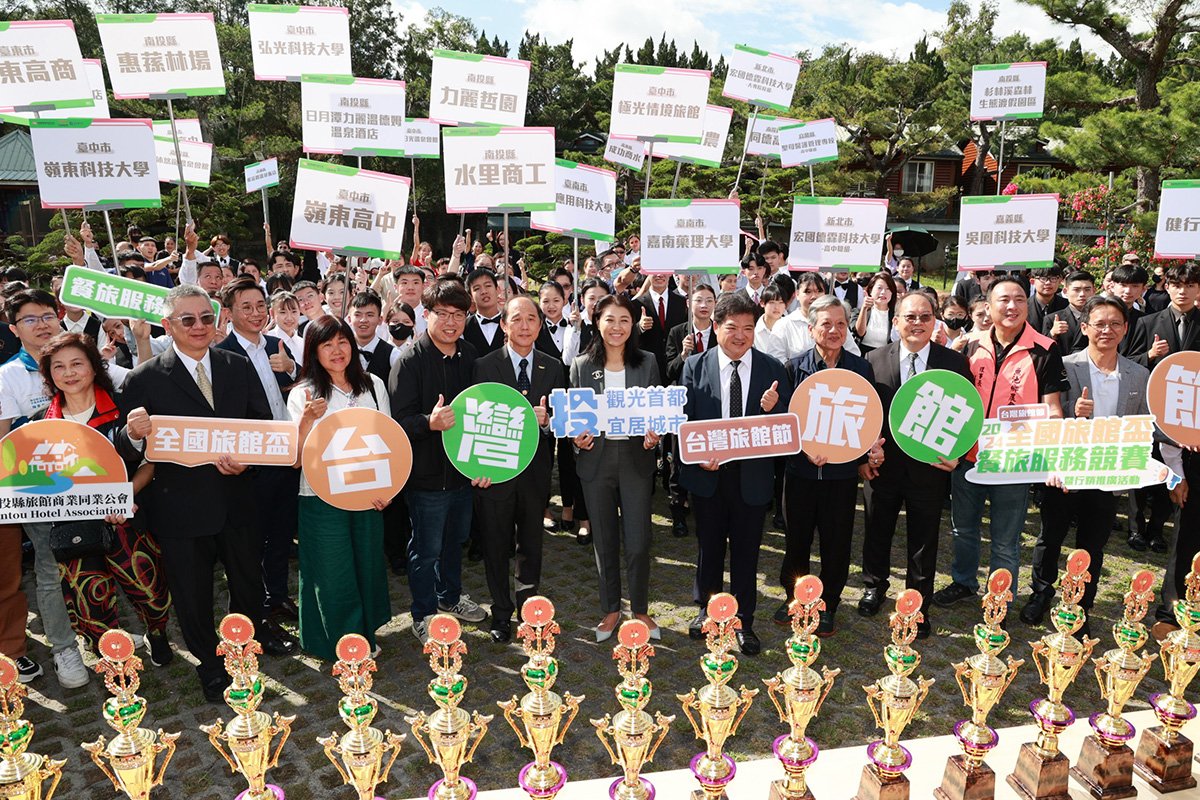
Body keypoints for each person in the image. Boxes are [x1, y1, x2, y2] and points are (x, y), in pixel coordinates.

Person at [118, 284, 297, 702]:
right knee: (192, 594)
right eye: (187, 320)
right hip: (180, 508)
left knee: (248, 586)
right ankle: (210, 665)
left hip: (237, 500)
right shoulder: (144, 377)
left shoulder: (236, 365)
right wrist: (131, 433)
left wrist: (249, 462)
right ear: (168, 325)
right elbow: (127, 448)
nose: (198, 327)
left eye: (204, 318)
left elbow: (261, 425)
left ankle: (241, 655)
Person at [34, 333, 173, 665]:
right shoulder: (41, 422)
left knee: (150, 591)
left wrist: (124, 495)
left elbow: (149, 463)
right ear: (49, 374)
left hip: (128, 515)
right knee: (89, 599)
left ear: (94, 367)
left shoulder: (123, 407)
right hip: (74, 526)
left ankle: (156, 633)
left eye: (77, 364)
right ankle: (114, 659)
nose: (69, 373)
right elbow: (37, 483)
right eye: (59, 367)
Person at [932, 277, 1068, 609]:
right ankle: (964, 582)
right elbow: (952, 400)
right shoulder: (969, 346)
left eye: (1020, 299)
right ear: (987, 307)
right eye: (1003, 300)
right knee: (963, 529)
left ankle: (1000, 597)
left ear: (1028, 304)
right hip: (968, 456)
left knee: (1005, 540)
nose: (1011, 306)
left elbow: (1052, 409)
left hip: (1013, 461)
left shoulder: (1045, 349)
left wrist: (1053, 456)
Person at [1021, 296, 1149, 637]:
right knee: (1051, 536)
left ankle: (1079, 605)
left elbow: (1144, 423)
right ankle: (1041, 593)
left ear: (1125, 329)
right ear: (1085, 327)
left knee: (1093, 544)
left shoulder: (1138, 374)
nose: (1106, 330)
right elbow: (1043, 412)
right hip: (1065, 468)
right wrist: (1070, 409)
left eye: (1115, 324)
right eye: (1099, 324)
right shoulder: (1064, 365)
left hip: (1107, 472)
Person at [680, 293, 790, 655]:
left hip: (752, 477)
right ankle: (707, 611)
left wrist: (776, 410)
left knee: (746, 551)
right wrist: (697, 458)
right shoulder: (694, 366)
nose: (740, 335)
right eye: (731, 328)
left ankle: (744, 619)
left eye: (747, 328)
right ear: (715, 328)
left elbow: (787, 429)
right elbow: (685, 422)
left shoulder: (773, 370)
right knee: (708, 546)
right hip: (708, 475)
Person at [859, 294, 971, 637]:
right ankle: (874, 585)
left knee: (924, 537)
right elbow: (864, 413)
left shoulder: (953, 362)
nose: (917, 323)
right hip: (883, 463)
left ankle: (917, 601)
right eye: (910, 316)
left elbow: (966, 411)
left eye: (925, 316)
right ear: (896, 321)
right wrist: (864, 455)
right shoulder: (873, 359)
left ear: (935, 321)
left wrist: (959, 452)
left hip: (930, 467)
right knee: (877, 526)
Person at [287, 315, 392, 660]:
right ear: (313, 352)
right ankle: (339, 640)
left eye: (342, 342)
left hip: (367, 492)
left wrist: (388, 487)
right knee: (331, 570)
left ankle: (365, 631)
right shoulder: (303, 393)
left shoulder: (373, 384)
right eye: (326, 344)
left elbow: (387, 439)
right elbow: (295, 460)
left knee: (367, 562)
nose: (337, 351)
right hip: (320, 496)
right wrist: (306, 421)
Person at [390, 279, 488, 643]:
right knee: (425, 548)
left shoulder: (471, 355)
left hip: (463, 472)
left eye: (458, 315)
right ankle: (424, 612)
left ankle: (450, 596)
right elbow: (398, 422)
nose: (450, 322)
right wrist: (428, 423)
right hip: (427, 476)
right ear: (426, 314)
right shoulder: (409, 361)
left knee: (455, 540)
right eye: (442, 314)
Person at [781, 295, 880, 636]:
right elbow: (785, 423)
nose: (834, 330)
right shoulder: (795, 367)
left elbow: (868, 420)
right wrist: (802, 450)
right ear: (811, 329)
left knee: (836, 542)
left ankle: (828, 604)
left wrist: (868, 454)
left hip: (840, 474)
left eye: (840, 324)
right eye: (826, 324)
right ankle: (795, 597)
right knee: (797, 538)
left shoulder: (860, 368)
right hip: (800, 472)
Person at [473, 296, 566, 642]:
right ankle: (501, 613)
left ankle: (529, 610)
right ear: (504, 324)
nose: (524, 326)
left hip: (535, 473)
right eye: (517, 319)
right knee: (496, 544)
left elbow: (562, 421)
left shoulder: (553, 366)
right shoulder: (483, 366)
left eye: (531, 319)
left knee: (531, 544)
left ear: (540, 326)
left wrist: (546, 421)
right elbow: (472, 420)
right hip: (494, 473)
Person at [570, 294, 660, 642]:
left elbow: (656, 411)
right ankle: (610, 609)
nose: (617, 327)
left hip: (636, 459)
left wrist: (655, 437)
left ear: (633, 323)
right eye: (610, 319)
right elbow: (574, 417)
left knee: (638, 541)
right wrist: (576, 438)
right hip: (597, 461)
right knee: (605, 541)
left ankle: (639, 609)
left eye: (624, 319)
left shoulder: (647, 362)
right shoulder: (580, 365)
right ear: (597, 323)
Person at [216, 278, 301, 623]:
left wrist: (292, 368)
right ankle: (255, 607)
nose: (255, 313)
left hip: (288, 454)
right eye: (246, 307)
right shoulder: (222, 355)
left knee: (282, 534)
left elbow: (301, 389)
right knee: (253, 539)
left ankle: (277, 596)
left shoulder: (278, 344)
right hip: (251, 463)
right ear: (230, 313)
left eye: (260, 306)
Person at [635, 272, 688, 383]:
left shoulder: (681, 302)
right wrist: (639, 327)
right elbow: (628, 334)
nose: (659, 275)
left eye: (664, 272)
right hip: (647, 367)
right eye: (654, 271)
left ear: (670, 274)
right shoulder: (637, 304)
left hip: (675, 367)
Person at [347, 291, 400, 382]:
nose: (363, 320)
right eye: (358, 315)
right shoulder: (342, 351)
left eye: (370, 315)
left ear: (380, 320)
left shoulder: (393, 354)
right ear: (349, 319)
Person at [1042, 270, 1095, 354]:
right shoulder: (1052, 319)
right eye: (1076, 290)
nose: (1082, 294)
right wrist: (1052, 334)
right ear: (1066, 292)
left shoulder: (1099, 317)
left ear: (1093, 291)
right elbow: (1043, 351)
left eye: (1087, 290)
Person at [462, 269, 506, 355]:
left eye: (488, 286)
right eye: (477, 288)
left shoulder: (510, 323)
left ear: (498, 290)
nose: (484, 291)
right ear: (470, 296)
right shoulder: (464, 326)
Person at [854, 272, 899, 353]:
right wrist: (864, 308)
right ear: (871, 290)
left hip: (885, 356)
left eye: (888, 289)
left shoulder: (896, 316)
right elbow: (860, 333)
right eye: (879, 288)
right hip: (862, 354)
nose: (883, 292)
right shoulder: (858, 312)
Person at [266, 291, 306, 366]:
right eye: (283, 312)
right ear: (272, 313)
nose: (289, 318)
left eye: (294, 312)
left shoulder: (303, 342)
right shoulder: (266, 340)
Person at [1027, 265, 1068, 334]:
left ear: (1060, 281)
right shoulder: (1023, 307)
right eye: (1043, 278)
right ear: (1032, 281)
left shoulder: (1067, 306)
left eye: (1053, 278)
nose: (1048, 282)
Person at [755, 284, 790, 362]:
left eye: (781, 302)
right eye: (772, 302)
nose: (776, 307)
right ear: (762, 303)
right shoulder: (754, 330)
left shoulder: (791, 328)